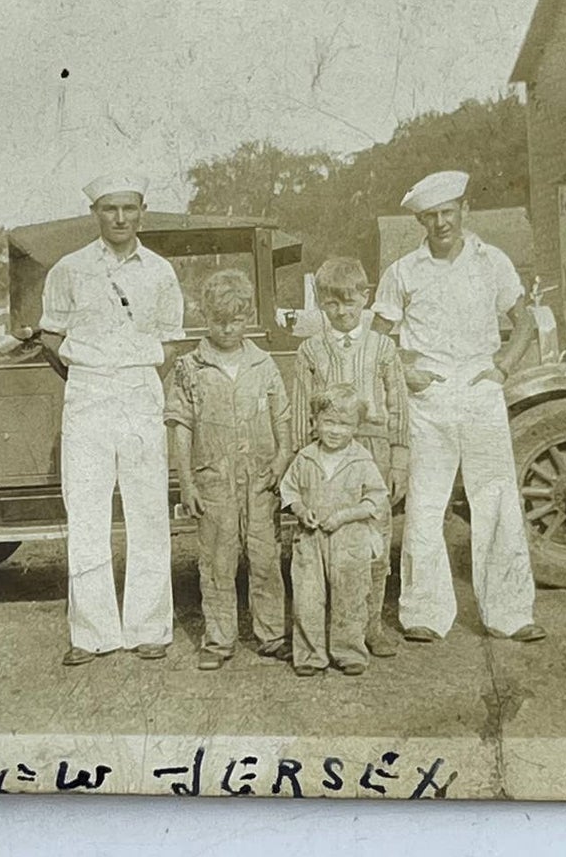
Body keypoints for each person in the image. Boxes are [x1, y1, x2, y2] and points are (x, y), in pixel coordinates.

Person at [372, 170, 544, 643]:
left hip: (480, 388)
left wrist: (503, 367)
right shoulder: (404, 271)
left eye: (448, 212)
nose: (441, 223)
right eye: (431, 216)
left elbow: (525, 322)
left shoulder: (492, 262)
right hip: (428, 397)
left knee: (497, 498)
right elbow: (376, 340)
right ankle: (424, 613)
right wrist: (406, 373)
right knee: (426, 503)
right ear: (421, 222)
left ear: (464, 210)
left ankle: (511, 612)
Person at [38, 175, 185, 666]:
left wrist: (132, 372)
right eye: (109, 209)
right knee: (86, 514)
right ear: (95, 213)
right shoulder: (70, 269)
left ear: (142, 210)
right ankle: (92, 632)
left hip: (140, 390)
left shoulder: (160, 272)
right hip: (88, 395)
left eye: (129, 208)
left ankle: (149, 627)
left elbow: (170, 343)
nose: (120, 218)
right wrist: (89, 374)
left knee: (146, 511)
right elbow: (51, 338)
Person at [166, 270, 292, 671]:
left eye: (235, 320)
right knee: (217, 561)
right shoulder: (190, 367)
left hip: (260, 481)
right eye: (218, 320)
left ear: (248, 317)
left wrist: (281, 459)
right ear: (205, 316)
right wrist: (186, 482)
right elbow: (181, 428)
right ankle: (219, 638)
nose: (227, 328)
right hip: (213, 480)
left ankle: (271, 634)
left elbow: (282, 419)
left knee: (266, 558)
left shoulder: (263, 363)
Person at [291, 256, 409, 658]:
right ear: (320, 303)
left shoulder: (383, 348)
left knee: (372, 542)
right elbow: (298, 411)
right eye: (331, 304)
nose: (342, 312)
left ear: (366, 297)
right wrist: (300, 466)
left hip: (373, 449)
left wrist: (399, 457)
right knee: (328, 541)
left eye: (350, 302)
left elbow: (399, 405)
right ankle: (332, 631)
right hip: (324, 457)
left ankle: (369, 625)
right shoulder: (309, 351)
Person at [279, 384, 390, 678]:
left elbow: (376, 499)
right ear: (315, 422)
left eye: (344, 424)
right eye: (329, 422)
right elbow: (288, 491)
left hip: (350, 539)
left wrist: (345, 516)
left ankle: (349, 651)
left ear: (357, 426)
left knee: (350, 596)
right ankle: (310, 654)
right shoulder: (305, 457)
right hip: (310, 540)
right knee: (307, 598)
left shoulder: (362, 460)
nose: (336, 431)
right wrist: (301, 510)